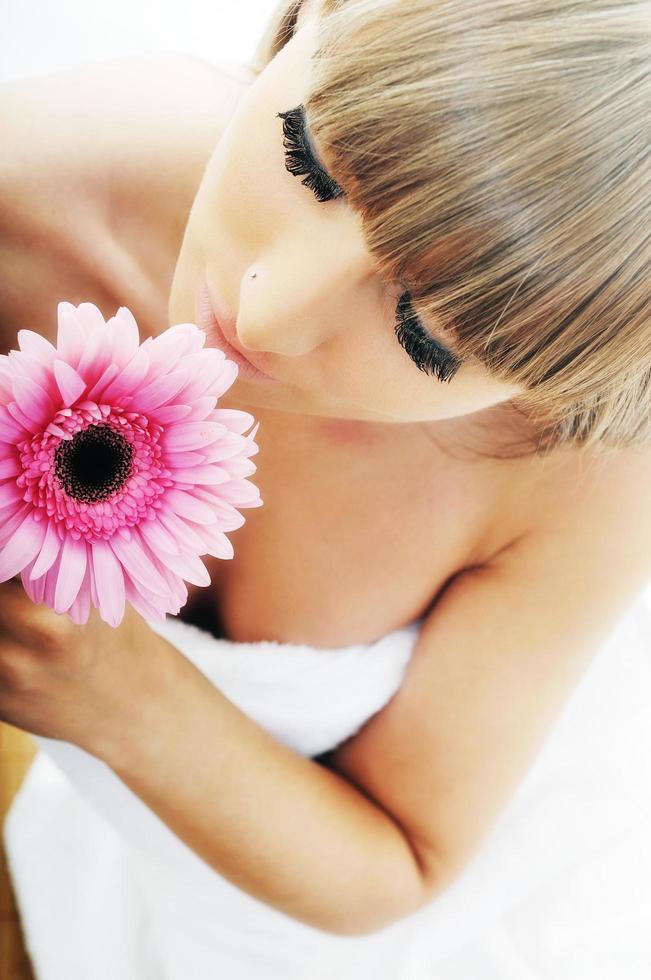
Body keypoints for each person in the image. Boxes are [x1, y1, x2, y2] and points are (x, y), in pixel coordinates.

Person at [2, 0, 651, 977]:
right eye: (307, 156)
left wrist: (116, 693)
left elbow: (403, 859)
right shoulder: (39, 182)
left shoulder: (579, 476)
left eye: (427, 339)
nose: (267, 312)